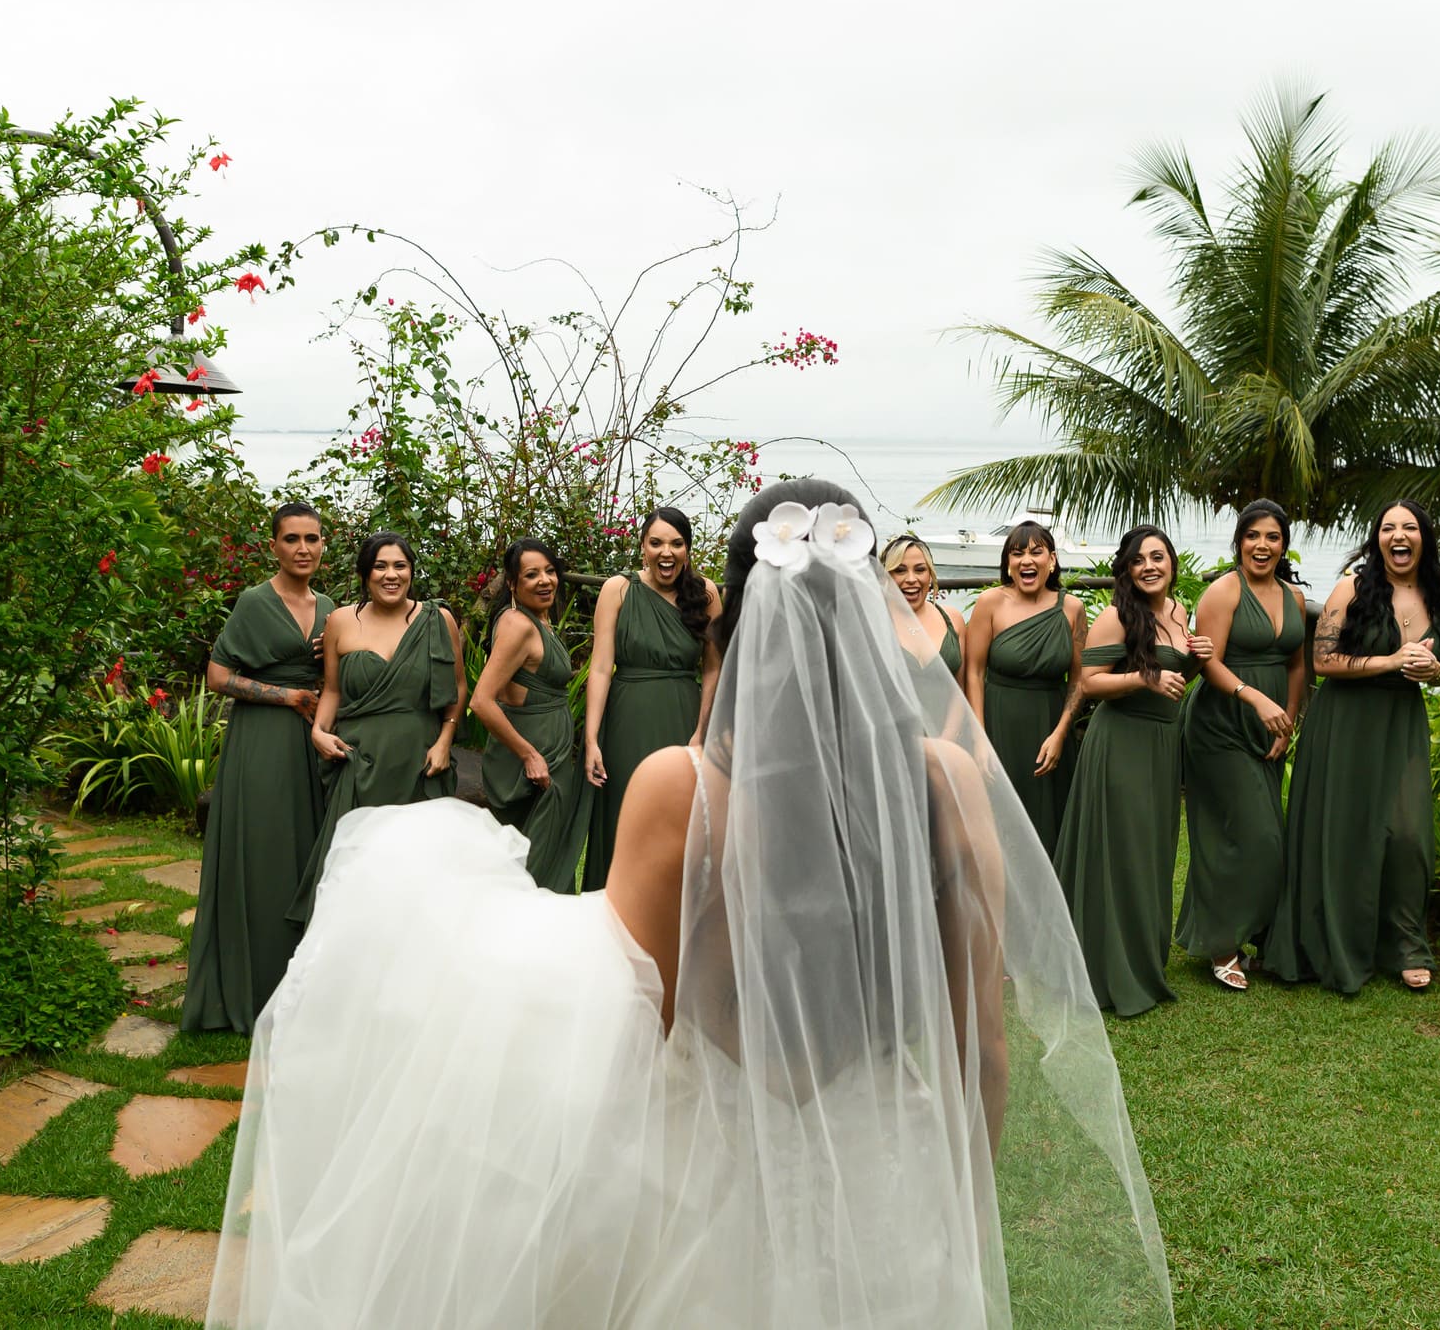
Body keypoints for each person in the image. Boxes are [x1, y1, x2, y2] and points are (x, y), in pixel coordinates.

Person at [205, 479, 1174, 1330]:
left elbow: (634, 1010)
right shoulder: (951, 781)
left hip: (702, 1169)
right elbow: (982, 1040)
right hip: (885, 1164)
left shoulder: (680, 786)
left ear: (735, 623)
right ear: (876, 613)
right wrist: (963, 1210)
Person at [1267, 498, 1440, 994]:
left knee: (1409, 836)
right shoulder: (1352, 588)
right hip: (1346, 720)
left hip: (1402, 723)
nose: (1399, 535)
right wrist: (1391, 661)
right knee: (1346, 832)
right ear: (1378, 538)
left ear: (1423, 538)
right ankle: (1337, 942)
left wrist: (1432, 670)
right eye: (1388, 527)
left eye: (1410, 527)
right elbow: (1324, 661)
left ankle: (1406, 946)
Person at [182, 503, 334, 1035]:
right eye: (291, 539)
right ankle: (252, 987)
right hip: (263, 740)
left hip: (314, 741)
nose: (302, 549)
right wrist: (284, 695)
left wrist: (331, 657)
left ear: (323, 544)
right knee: (264, 856)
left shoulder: (332, 608)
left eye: (312, 539)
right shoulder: (253, 602)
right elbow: (219, 676)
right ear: (273, 546)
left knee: (307, 858)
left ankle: (303, 990)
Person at [1055, 526, 1212, 1017]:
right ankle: (1105, 969)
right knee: (1119, 854)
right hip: (1120, 745)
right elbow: (1090, 682)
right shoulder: (1116, 617)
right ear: (1125, 569)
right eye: (1139, 559)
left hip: (1162, 747)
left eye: (1158, 557)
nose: (1150, 566)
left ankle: (1144, 962)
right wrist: (1146, 676)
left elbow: (1175, 677)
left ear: (1171, 564)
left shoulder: (1176, 611)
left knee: (1151, 854)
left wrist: (1197, 660)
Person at [287, 532, 465, 923]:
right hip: (360, 764)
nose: (391, 575)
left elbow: (459, 688)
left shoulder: (438, 620)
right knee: (358, 876)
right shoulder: (340, 621)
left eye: (400, 565)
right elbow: (332, 689)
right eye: (380, 566)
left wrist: (445, 740)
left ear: (412, 571)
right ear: (365, 574)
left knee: (420, 877)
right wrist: (318, 730)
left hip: (420, 763)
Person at [1177, 499, 1308, 992]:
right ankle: (1222, 944)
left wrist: (1287, 720)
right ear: (1239, 542)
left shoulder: (1293, 598)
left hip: (1269, 726)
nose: (1262, 545)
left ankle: (1242, 934)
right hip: (1221, 724)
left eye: (1272, 537)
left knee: (1261, 831)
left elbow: (1297, 666)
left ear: (1283, 545)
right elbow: (1208, 663)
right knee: (1252, 836)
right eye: (1253, 535)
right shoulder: (1223, 591)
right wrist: (1255, 699)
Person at [583, 508, 722, 889]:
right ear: (643, 546)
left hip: (684, 720)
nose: (667, 552)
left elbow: (713, 670)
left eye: (677, 543)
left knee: (679, 823)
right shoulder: (619, 589)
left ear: (688, 549)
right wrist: (592, 739)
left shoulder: (706, 595)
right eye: (657, 543)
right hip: (626, 722)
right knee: (625, 815)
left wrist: (702, 731)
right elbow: (600, 667)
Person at [470, 538, 592, 893]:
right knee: (529, 875)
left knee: (546, 867)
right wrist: (529, 755)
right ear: (512, 583)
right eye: (531, 574)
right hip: (530, 768)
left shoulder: (539, 621)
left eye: (550, 571)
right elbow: (481, 701)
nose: (545, 581)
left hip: (549, 757)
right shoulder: (517, 624)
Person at [963, 521, 1087, 854]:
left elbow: (1078, 680)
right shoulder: (990, 603)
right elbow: (973, 673)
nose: (1026, 560)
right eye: (1017, 554)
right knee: (998, 825)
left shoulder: (1072, 609)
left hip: (1050, 727)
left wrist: (1061, 733)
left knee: (1050, 824)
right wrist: (979, 738)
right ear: (1007, 563)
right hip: (998, 723)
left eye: (1036, 552)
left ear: (1052, 560)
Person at [880, 532, 966, 686]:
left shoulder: (953, 619)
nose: (912, 579)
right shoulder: (872, 622)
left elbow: (961, 689)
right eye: (900, 570)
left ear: (930, 575)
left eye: (920, 570)